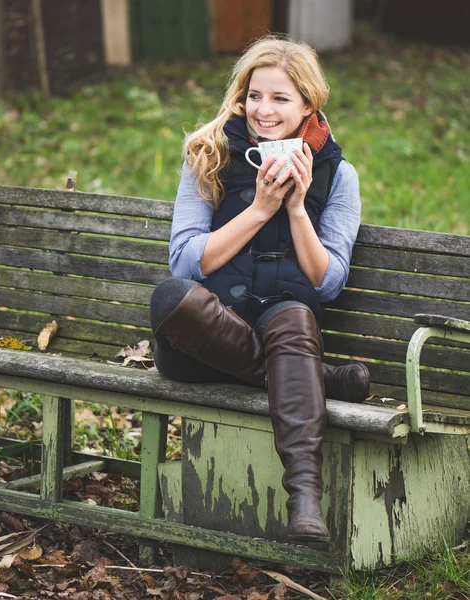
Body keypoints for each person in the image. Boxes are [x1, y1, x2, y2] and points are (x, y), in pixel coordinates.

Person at [150, 35, 370, 545]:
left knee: (295, 319)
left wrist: (295, 208)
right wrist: (260, 209)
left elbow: (329, 281)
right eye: (254, 96)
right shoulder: (208, 155)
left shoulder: (338, 175)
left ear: (307, 105)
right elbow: (185, 261)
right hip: (203, 341)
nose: (262, 110)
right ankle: (316, 376)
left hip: (283, 318)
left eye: (280, 98)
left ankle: (306, 503)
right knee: (169, 297)